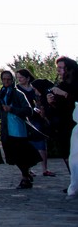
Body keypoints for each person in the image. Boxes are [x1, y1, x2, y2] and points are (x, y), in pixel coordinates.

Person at [0, 69, 38, 188]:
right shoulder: (0, 95)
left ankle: (25, 177)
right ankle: (26, 174)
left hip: (19, 130)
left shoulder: (18, 94)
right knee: (12, 157)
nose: (6, 81)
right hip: (7, 130)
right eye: (4, 79)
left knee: (20, 156)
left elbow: (28, 110)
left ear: (12, 80)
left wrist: (12, 109)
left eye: (8, 79)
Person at [48, 55, 77, 198]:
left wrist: (64, 94)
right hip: (64, 124)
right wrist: (51, 101)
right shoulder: (62, 83)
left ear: (69, 68)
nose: (58, 70)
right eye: (57, 67)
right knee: (66, 154)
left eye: (61, 68)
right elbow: (58, 107)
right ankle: (74, 182)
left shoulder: (75, 83)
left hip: (75, 124)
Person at [16, 68, 53, 176]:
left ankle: (44, 169)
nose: (19, 79)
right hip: (25, 117)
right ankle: (28, 169)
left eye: (21, 77)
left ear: (27, 78)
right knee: (26, 143)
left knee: (40, 142)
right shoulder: (17, 89)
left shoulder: (35, 88)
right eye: (18, 78)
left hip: (37, 117)